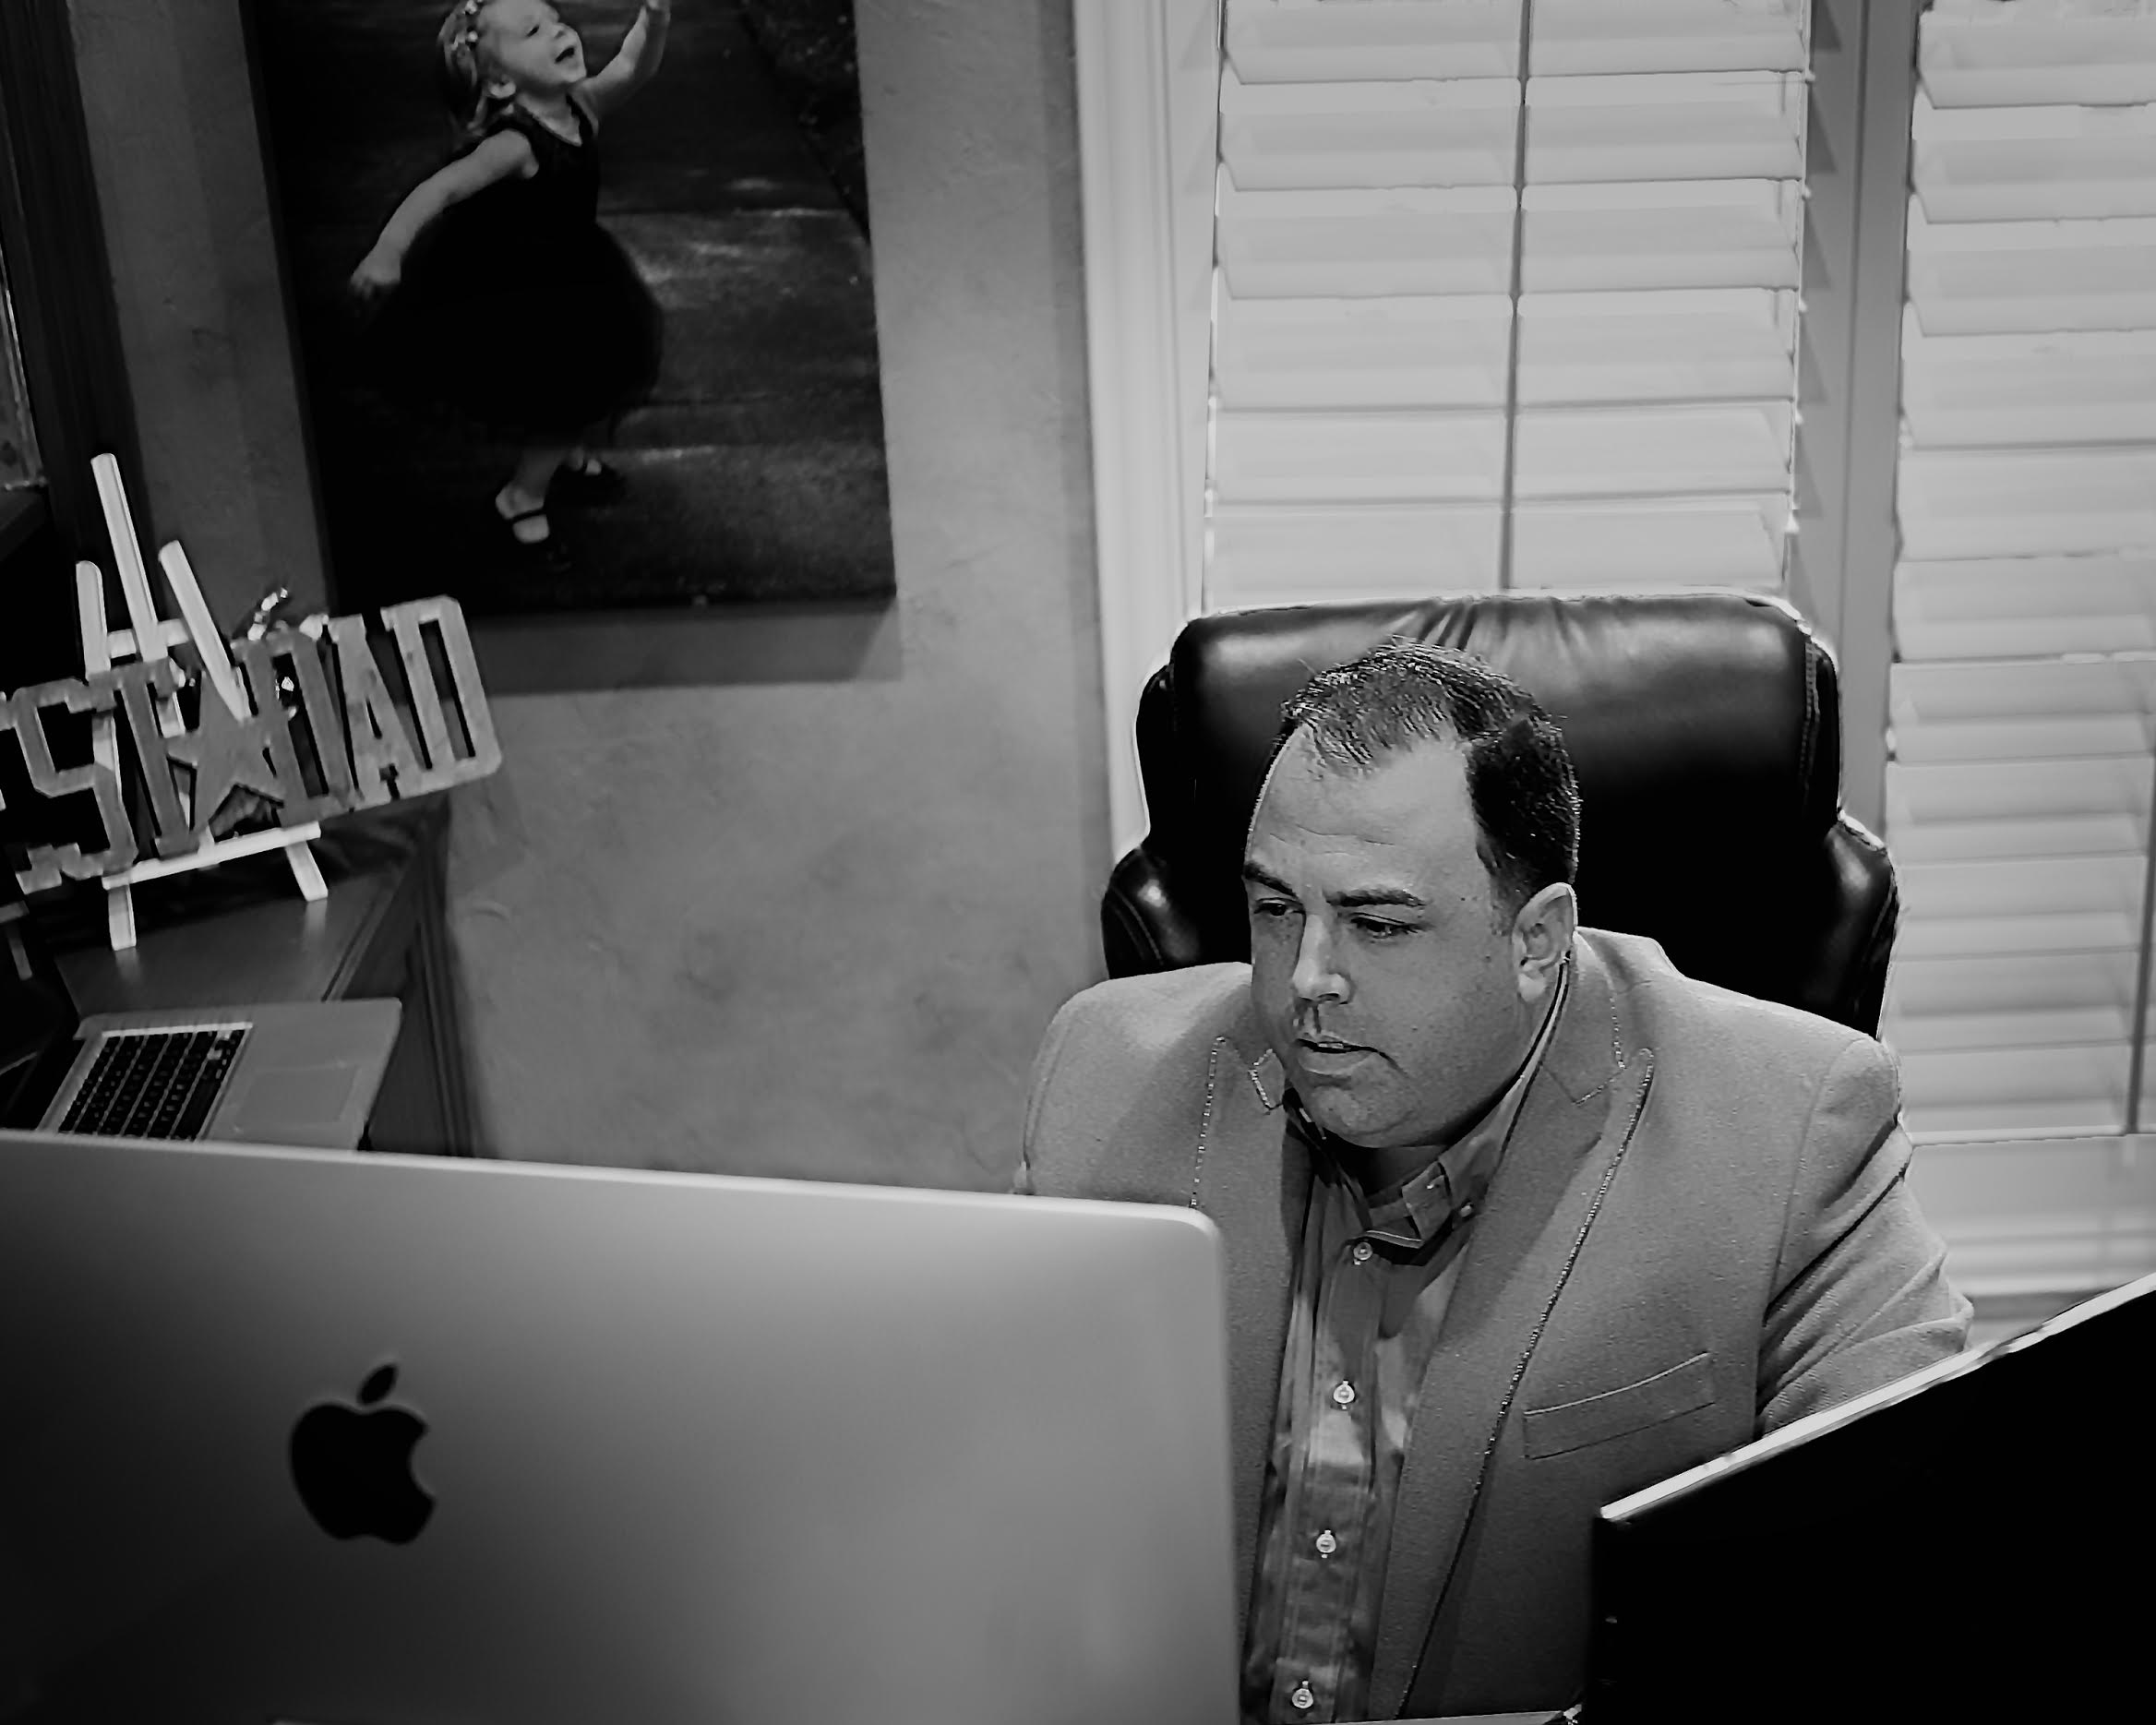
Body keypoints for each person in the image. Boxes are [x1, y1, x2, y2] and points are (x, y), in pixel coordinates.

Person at [1018, 642, 1970, 1723]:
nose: (1304, 978)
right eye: (1274, 908)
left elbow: (1905, 1565)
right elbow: (993, 1503)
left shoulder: (1794, 1125)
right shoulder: (1101, 1075)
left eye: (1377, 924)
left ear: (1536, 941)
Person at [350, 0, 671, 569]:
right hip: (523, 290)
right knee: (561, 393)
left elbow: (633, 67)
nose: (559, 31)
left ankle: (566, 454)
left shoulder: (583, 106)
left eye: (555, 20)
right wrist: (390, 249)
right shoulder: (513, 144)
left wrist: (655, 17)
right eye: (533, 31)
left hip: (577, 275)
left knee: (584, 376)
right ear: (500, 80)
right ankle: (520, 497)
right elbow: (440, 190)